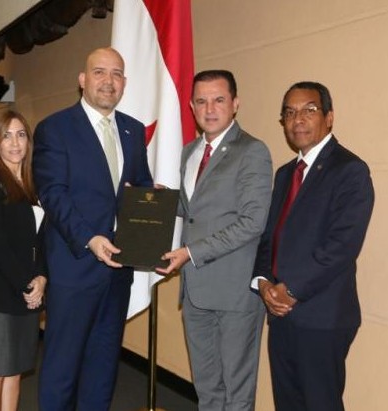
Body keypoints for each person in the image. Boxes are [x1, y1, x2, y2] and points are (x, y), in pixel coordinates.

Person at [33, 47, 153, 410]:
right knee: (62, 370)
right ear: (82, 80)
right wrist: (89, 238)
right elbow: (53, 193)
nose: (108, 81)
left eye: (116, 74)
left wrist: (151, 199)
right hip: (75, 268)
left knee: (102, 369)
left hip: (118, 272)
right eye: (99, 72)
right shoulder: (55, 128)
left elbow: (139, 186)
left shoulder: (132, 130)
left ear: (125, 83)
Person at [253, 81, 374, 411]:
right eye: (289, 113)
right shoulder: (284, 174)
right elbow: (268, 239)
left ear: (329, 117)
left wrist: (291, 291)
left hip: (322, 317)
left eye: (309, 110)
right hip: (280, 315)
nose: (298, 120)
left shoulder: (350, 170)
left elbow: (342, 245)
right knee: (288, 403)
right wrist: (263, 284)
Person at [156, 70, 273, 410]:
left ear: (235, 104)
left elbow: (253, 221)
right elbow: (195, 209)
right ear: (192, 107)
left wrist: (191, 252)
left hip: (234, 293)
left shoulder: (252, 151)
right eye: (202, 101)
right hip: (195, 292)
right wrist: (160, 200)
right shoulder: (190, 151)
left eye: (219, 100)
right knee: (207, 388)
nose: (210, 109)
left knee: (236, 392)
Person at [0, 110, 46, 411]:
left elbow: (43, 240)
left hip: (29, 289)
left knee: (16, 368)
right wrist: (26, 285)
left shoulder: (35, 183)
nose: (15, 143)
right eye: (7, 135)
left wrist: (42, 278)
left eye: (21, 135)